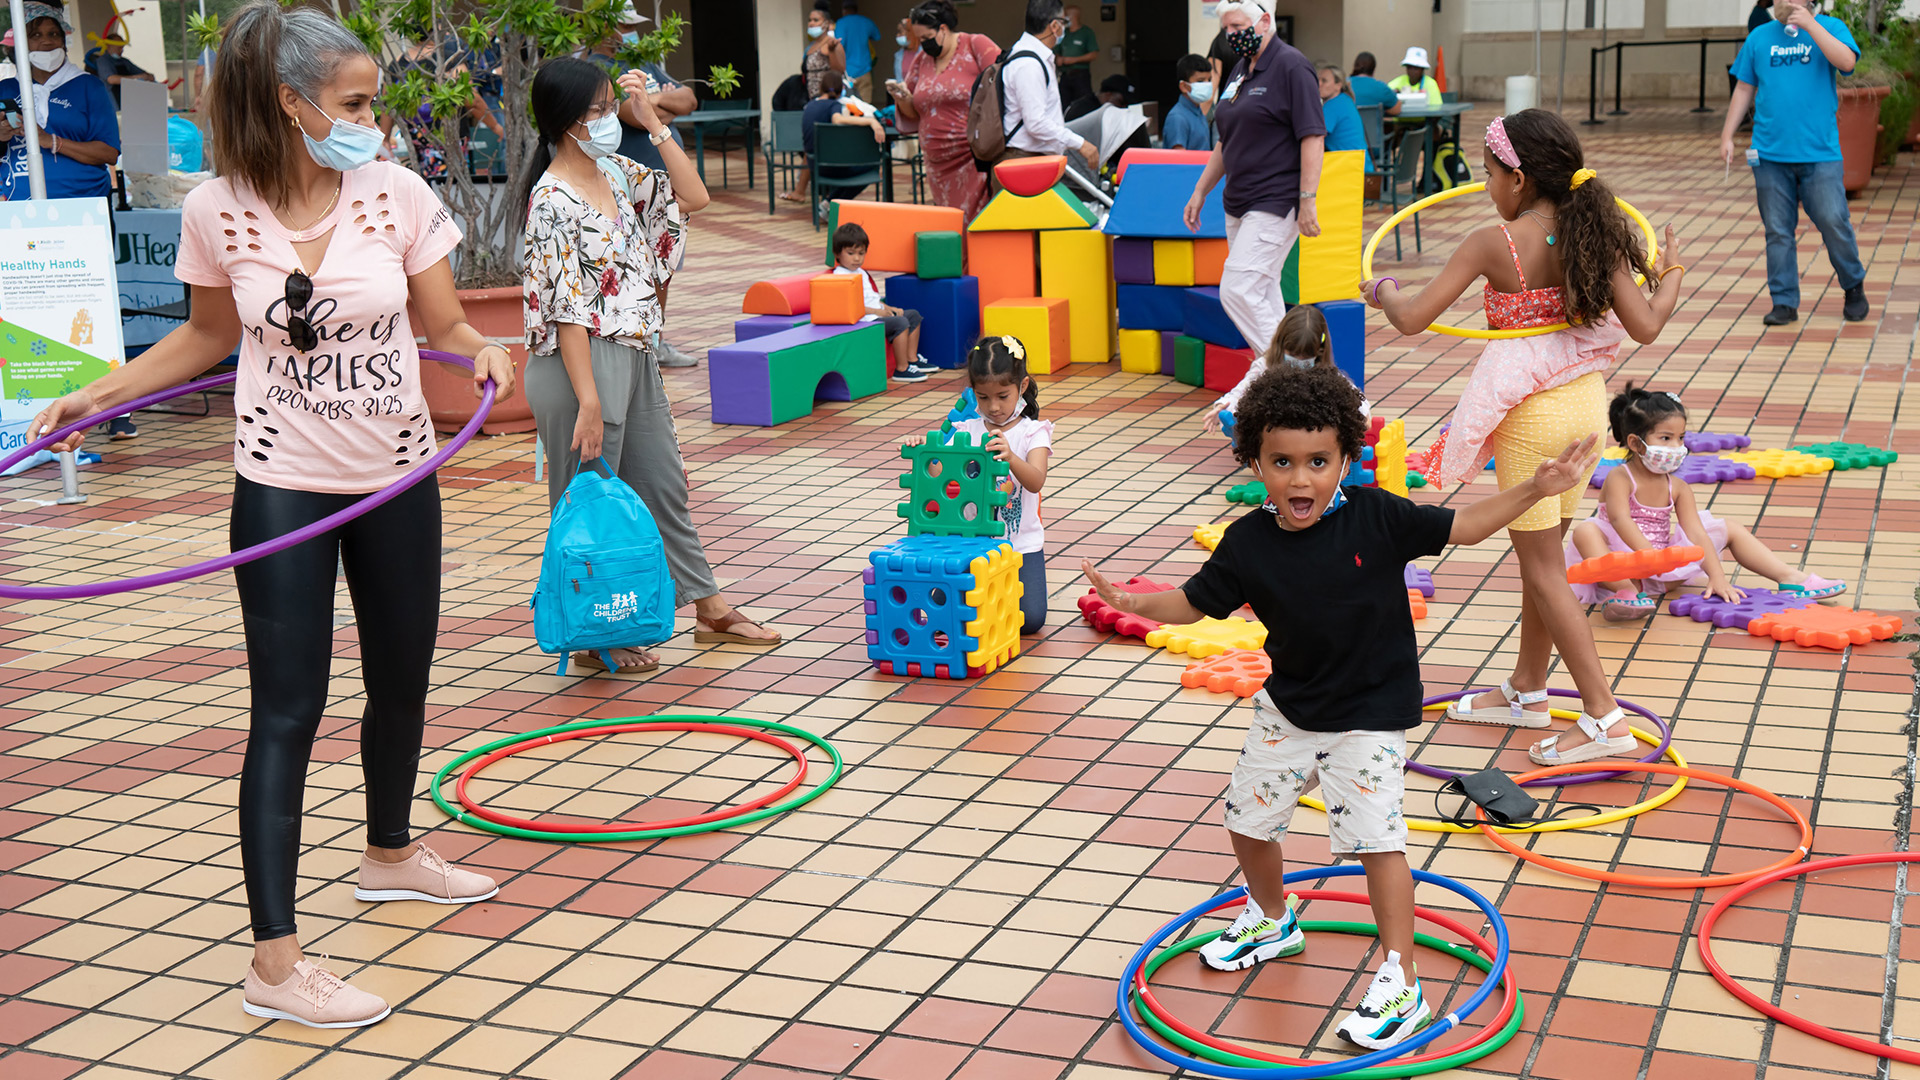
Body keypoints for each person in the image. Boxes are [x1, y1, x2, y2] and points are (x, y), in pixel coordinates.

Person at [31, 0, 517, 1027]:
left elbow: (443, 322)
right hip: (282, 480)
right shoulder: (220, 208)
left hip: (394, 472)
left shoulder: (395, 195)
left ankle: (390, 854)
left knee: (402, 681)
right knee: (287, 713)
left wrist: (478, 351)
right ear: (292, 104)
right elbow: (206, 337)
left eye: (373, 103)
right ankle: (276, 962)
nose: (373, 122)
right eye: (354, 103)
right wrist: (99, 392)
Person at [1083, 363, 1600, 1050]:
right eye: (1282, 462)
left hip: (1370, 714)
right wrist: (1133, 603)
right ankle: (1274, 917)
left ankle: (1401, 978)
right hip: (1290, 708)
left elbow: (1468, 526)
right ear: (1254, 463)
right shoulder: (1246, 543)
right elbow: (1192, 601)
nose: (1301, 480)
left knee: (1377, 844)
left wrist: (1534, 488)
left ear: (1346, 460)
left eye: (1319, 461)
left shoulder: (1379, 518)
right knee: (1247, 820)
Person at [1362, 109, 1687, 765]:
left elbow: (1413, 318)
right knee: (1541, 562)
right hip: (1586, 412)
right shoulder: (1596, 230)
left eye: (1488, 174)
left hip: (1532, 419)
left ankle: (1603, 717)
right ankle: (1527, 688)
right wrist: (1671, 271)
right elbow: (1648, 325)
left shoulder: (1496, 242)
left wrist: (1384, 288)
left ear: (1518, 177)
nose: (1485, 186)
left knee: (1542, 567)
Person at [520, 57, 780, 675]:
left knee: (663, 484)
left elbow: (694, 197)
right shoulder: (550, 199)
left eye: (613, 106)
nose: (610, 118)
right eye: (599, 109)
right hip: (577, 364)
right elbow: (567, 311)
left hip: (632, 352)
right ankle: (588, 634)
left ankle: (708, 606)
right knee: (583, 498)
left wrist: (653, 122)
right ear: (565, 121)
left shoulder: (615, 171)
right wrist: (587, 399)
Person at [1571, 385, 1847, 620]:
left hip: (1664, 569)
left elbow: (1696, 532)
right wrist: (1647, 556)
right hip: (1624, 567)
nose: (1675, 446)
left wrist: (1717, 576)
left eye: (1680, 438)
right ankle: (1625, 593)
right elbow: (1620, 520)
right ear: (1635, 443)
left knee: (1727, 527)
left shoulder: (1677, 486)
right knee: (1586, 531)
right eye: (1665, 438)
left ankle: (1791, 578)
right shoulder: (1621, 477)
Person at [1183, 0, 1323, 356]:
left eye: (1236, 27)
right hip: (1238, 202)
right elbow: (1224, 141)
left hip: (1275, 200)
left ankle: (1288, 370)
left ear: (1264, 21)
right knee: (1262, 290)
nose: (1230, 36)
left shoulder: (1291, 65)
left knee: (1238, 288)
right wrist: (1201, 191)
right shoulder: (1242, 70)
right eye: (1226, 29)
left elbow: (1313, 136)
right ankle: (1291, 377)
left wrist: (1308, 200)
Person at [1722, 0, 1868, 326]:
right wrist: (1727, 135)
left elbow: (1846, 62)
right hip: (1769, 155)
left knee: (1833, 221)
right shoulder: (1760, 37)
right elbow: (1745, 87)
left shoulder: (1830, 28)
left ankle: (1853, 284)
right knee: (1778, 232)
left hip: (1820, 154)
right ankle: (1784, 301)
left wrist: (1811, 26)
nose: (1783, 2)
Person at [586, 6, 705, 367]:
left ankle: (656, 340)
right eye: (623, 25)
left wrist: (650, 107)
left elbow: (688, 100)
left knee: (662, 264)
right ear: (605, 26)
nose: (630, 32)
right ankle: (634, 343)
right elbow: (626, 111)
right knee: (630, 267)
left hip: (666, 188)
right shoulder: (598, 69)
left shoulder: (643, 62)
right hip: (628, 188)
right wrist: (655, 107)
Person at [930, 337, 1053, 634]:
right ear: (973, 393)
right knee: (940, 608)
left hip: (1020, 545)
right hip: (970, 543)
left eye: (1002, 395)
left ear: (1022, 387)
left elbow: (1036, 481)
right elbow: (936, 473)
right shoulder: (965, 430)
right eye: (983, 398)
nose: (994, 407)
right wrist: (924, 451)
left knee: (1031, 620)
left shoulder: (1032, 432)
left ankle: (987, 604)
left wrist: (1010, 456)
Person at [889, 0, 1000, 221]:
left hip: (972, 157)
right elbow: (914, 112)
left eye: (926, 39)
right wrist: (901, 98)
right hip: (937, 164)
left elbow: (1004, 83)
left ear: (943, 28)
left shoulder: (975, 45)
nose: (923, 45)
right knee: (948, 221)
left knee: (976, 218)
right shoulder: (922, 60)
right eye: (920, 40)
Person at [1, 3, 119, 202]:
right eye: (36, 35)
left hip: (84, 206)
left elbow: (109, 153)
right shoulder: (6, 89)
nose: (47, 41)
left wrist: (53, 141)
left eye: (54, 34)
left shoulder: (89, 87)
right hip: (18, 207)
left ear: (64, 41)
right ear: (22, 43)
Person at [1205, 303, 1366, 433]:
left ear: (1319, 351)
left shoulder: (1324, 371)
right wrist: (1222, 407)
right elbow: (1242, 390)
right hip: (1275, 431)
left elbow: (1354, 396)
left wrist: (1363, 413)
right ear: (1281, 345)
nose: (1299, 361)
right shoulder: (1266, 365)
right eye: (1293, 354)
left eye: (1306, 356)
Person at [1000, 0, 1099, 174]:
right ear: (1054, 26)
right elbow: (1036, 122)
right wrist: (1080, 144)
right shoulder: (1029, 65)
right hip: (1025, 162)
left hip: (1033, 158)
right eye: (1063, 23)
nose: (1064, 29)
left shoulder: (1035, 58)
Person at [832, 223, 936, 382]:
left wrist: (889, 308)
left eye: (861, 253)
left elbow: (873, 299)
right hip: (863, 320)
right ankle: (901, 369)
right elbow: (850, 307)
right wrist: (879, 312)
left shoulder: (861, 272)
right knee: (900, 322)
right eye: (851, 253)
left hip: (875, 315)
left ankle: (912, 359)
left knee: (913, 315)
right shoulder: (840, 276)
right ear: (837, 253)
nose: (857, 258)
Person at [807, 77, 885, 214]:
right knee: (872, 168)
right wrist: (871, 122)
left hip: (814, 165)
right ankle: (830, 204)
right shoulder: (834, 105)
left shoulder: (810, 106)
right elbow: (837, 119)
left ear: (821, 88)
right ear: (842, 90)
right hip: (834, 167)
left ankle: (829, 203)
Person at [1317, 62, 1369, 171]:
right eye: (1318, 80)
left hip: (1350, 171)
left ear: (1338, 85)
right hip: (1360, 166)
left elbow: (1316, 137)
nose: (1319, 84)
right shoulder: (1345, 100)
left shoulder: (1333, 105)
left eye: (1324, 81)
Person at [84, 30, 154, 107]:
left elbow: (142, 73)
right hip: (113, 100)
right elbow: (111, 79)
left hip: (130, 99)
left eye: (122, 48)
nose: (122, 50)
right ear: (109, 46)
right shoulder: (103, 61)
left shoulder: (124, 61)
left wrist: (148, 76)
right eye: (119, 48)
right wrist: (136, 78)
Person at [1163, 54, 1215, 151]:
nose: (1207, 85)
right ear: (1183, 86)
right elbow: (1179, 160)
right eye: (1200, 81)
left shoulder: (1198, 113)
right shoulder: (1177, 118)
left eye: (1209, 80)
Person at [1055, 5, 1098, 110]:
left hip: (1080, 75)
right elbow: (1056, 51)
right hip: (1064, 76)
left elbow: (1094, 54)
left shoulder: (1087, 32)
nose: (1063, 19)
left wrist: (1074, 60)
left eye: (1066, 16)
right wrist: (1058, 58)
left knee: (1083, 104)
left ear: (1073, 17)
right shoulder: (1063, 33)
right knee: (1063, 105)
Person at [836, 0, 880, 102]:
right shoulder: (866, 21)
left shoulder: (841, 23)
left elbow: (839, 45)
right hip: (865, 70)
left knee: (848, 106)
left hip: (847, 72)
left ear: (844, 10)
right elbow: (877, 36)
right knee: (866, 107)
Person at [804, 1, 846, 100]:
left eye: (816, 20)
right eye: (809, 20)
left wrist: (831, 50)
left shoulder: (833, 44)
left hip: (828, 99)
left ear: (826, 23)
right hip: (813, 99)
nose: (811, 23)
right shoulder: (811, 46)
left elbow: (839, 71)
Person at [1348, 52, 1402, 118]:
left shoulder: (1342, 85)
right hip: (1372, 128)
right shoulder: (1381, 88)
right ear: (1374, 69)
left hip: (1347, 127)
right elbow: (1397, 110)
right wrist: (1383, 110)